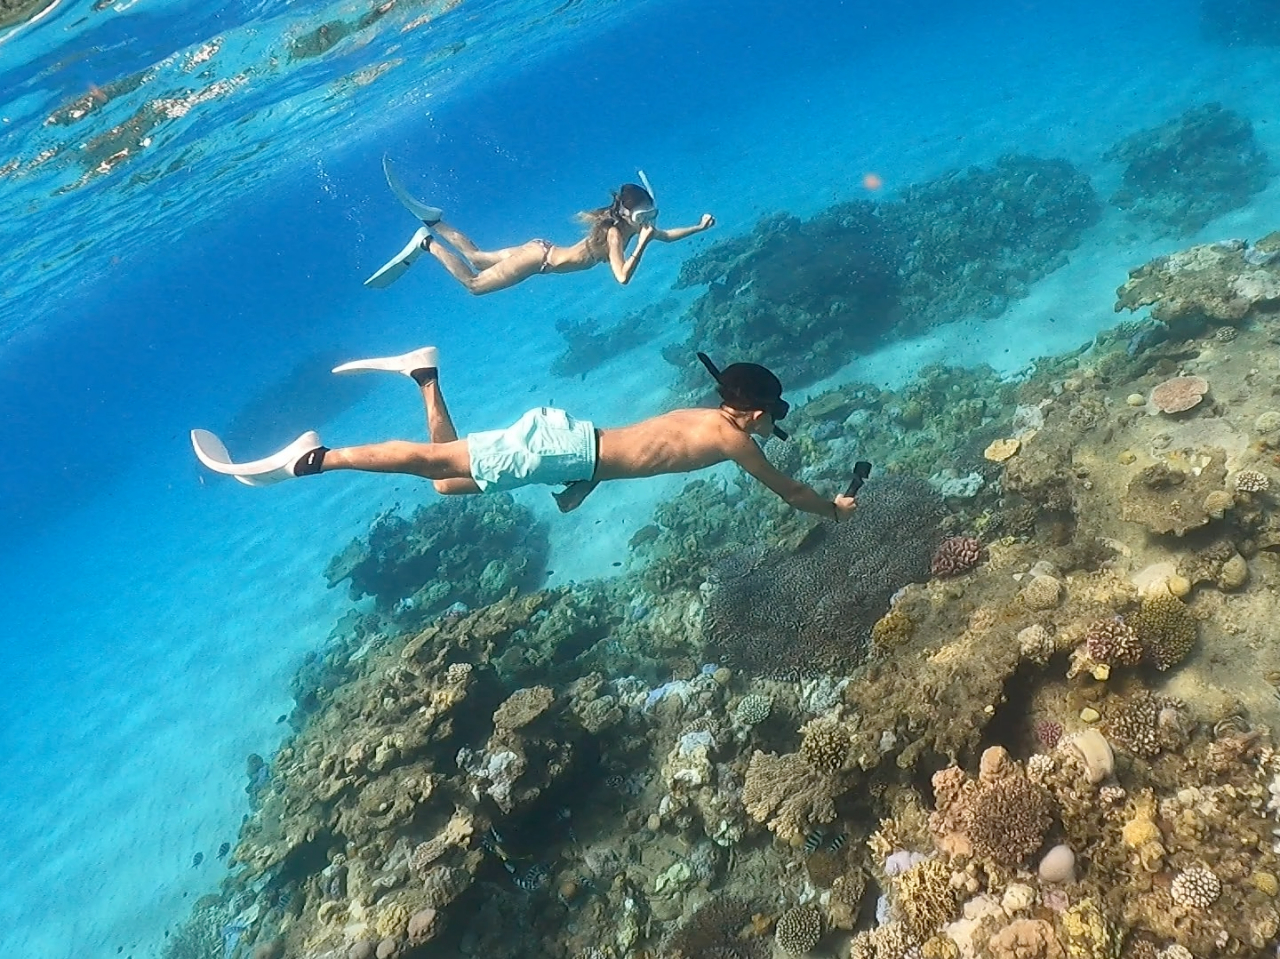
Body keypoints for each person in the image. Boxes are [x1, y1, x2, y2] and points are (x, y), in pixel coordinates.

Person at [190, 347, 859, 522]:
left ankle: (424, 375)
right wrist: (832, 507)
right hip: (561, 450)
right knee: (432, 463)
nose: (774, 425)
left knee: (447, 483)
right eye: (773, 415)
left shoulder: (708, 417)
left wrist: (582, 484)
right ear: (754, 413)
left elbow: (638, 452)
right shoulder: (737, 440)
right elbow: (789, 490)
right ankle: (318, 456)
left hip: (572, 453)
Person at [364, 160, 716, 294]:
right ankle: (427, 242)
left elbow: (665, 236)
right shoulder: (614, 234)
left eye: (651, 215)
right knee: (474, 284)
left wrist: (698, 228)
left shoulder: (628, 226)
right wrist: (641, 244)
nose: (648, 223)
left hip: (540, 249)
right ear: (625, 214)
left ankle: (434, 220)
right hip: (538, 260)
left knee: (477, 257)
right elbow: (622, 277)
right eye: (642, 217)